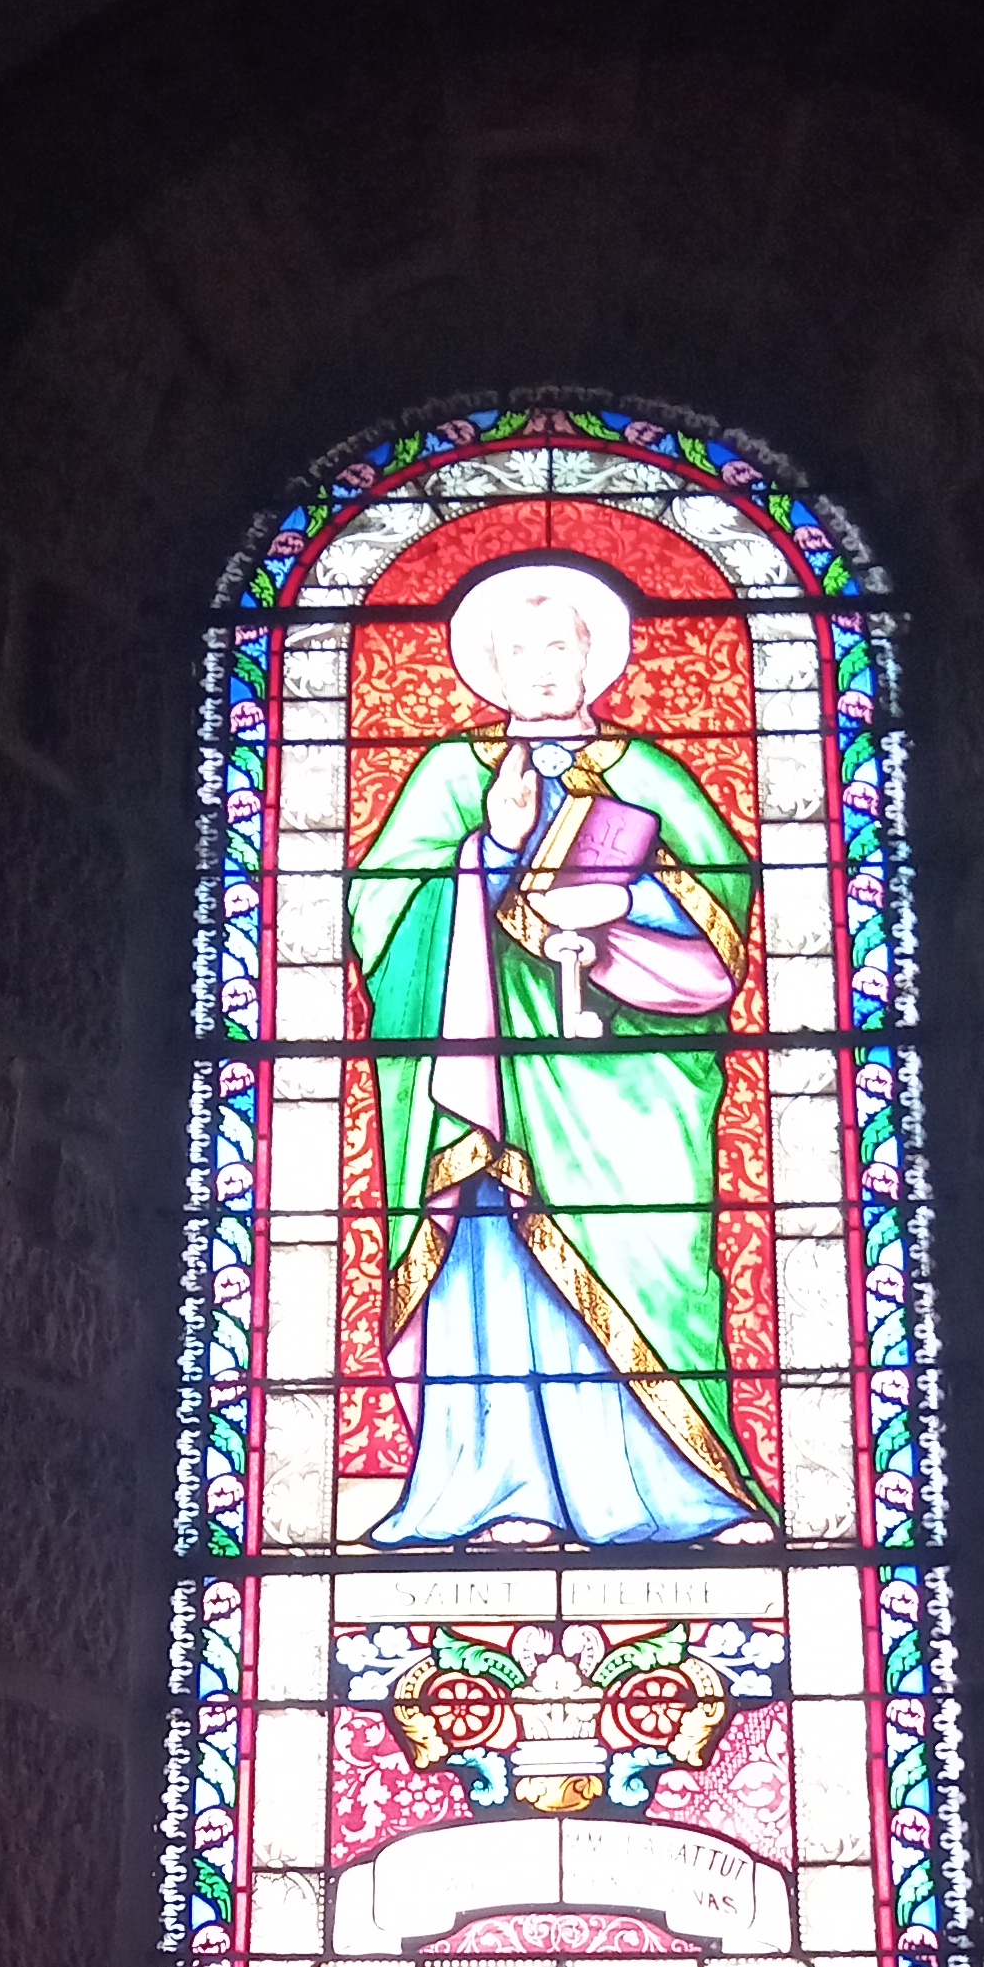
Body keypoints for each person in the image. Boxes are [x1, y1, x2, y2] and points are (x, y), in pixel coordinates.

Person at [346, 559, 777, 1550]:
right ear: (491, 669)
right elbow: (376, 916)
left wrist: (619, 911)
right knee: (492, 1256)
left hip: (628, 1083)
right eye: (518, 651)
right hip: (487, 1077)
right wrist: (487, 853)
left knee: (656, 1262)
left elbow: (724, 927)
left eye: (559, 645)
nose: (540, 667)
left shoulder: (650, 777)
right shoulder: (450, 777)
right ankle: (505, 1493)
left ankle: (685, 1493)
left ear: (594, 657)